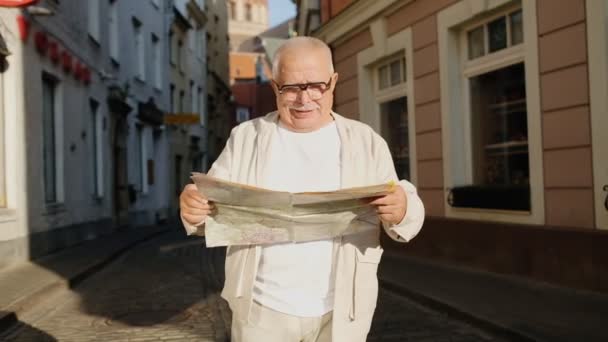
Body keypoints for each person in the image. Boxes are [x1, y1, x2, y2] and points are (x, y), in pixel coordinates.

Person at [179, 36, 425, 342]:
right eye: (291, 88)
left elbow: (403, 209)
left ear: (333, 82)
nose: (304, 99)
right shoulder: (246, 137)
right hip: (262, 311)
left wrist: (402, 210)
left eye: (316, 86)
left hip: (341, 309)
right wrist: (193, 207)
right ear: (274, 87)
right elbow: (209, 209)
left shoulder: (365, 141)